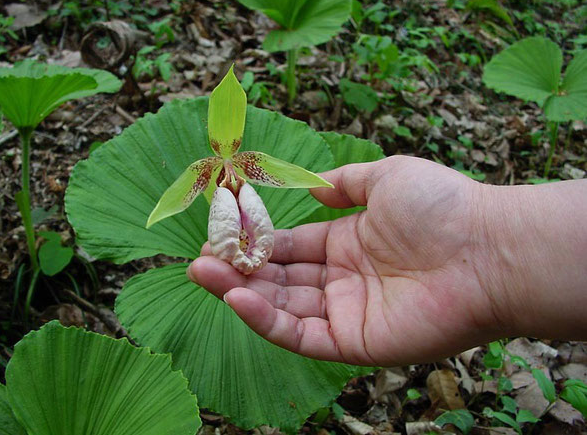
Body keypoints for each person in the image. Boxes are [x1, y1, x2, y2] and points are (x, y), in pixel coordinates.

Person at [186, 155, 587, 366]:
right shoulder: (206, 174)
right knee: (230, 210)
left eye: (235, 177)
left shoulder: (250, 165)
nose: (232, 180)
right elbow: (177, 196)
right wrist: (225, 188)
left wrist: (479, 232)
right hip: (227, 203)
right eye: (225, 177)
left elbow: (292, 176)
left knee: (239, 212)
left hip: (244, 210)